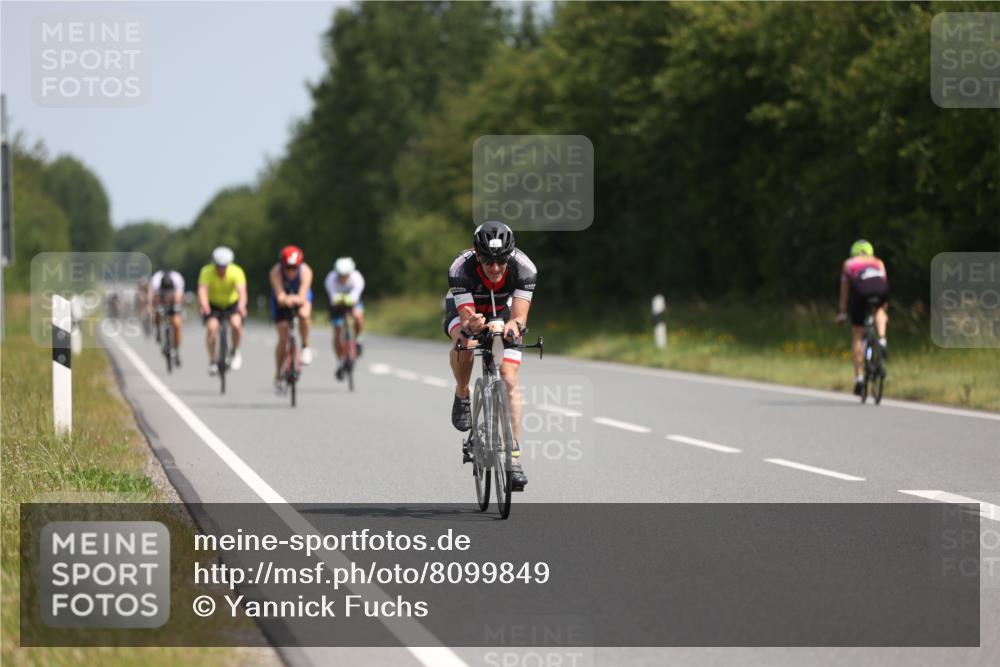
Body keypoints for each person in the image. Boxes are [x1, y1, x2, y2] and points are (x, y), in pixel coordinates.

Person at [444, 221, 536, 491]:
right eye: (487, 260)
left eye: (501, 260)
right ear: (476, 253)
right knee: (465, 340)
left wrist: (513, 327)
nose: (495, 268)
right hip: (469, 308)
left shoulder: (525, 268)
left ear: (510, 254)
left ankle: (514, 459)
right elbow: (466, 319)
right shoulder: (460, 268)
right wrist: (471, 324)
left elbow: (519, 317)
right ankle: (462, 393)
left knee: (509, 379)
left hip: (504, 311)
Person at [837, 239, 889, 395]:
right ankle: (882, 338)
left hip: (861, 290)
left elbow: (845, 292)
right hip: (880, 288)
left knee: (858, 334)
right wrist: (883, 314)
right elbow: (883, 286)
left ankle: (859, 378)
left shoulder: (849, 264)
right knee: (879, 311)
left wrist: (842, 312)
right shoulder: (878, 262)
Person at [269, 245, 314, 392]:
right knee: (283, 337)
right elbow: (280, 295)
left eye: (294, 267)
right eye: (287, 267)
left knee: (304, 314)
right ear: (282, 265)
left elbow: (303, 294)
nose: (291, 271)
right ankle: (278, 373)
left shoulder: (306, 271)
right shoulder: (275, 272)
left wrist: (298, 299)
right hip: (282, 298)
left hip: (299, 295)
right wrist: (284, 299)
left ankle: (305, 345)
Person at [197, 246, 248, 375]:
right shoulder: (206, 271)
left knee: (236, 325)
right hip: (213, 304)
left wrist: (241, 307)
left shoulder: (237, 272)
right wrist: (205, 307)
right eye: (219, 266)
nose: (221, 269)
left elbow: (242, 292)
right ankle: (213, 361)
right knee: (212, 328)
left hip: (232, 303)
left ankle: (235, 351)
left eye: (224, 266)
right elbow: (202, 291)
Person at [324, 257, 365, 380]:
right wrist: (340, 300)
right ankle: (340, 360)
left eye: (346, 275)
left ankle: (358, 339)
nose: (343, 277)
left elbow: (355, 297)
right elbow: (333, 298)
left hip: (353, 302)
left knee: (358, 317)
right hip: (336, 305)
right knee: (337, 329)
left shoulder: (357, 278)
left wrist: (346, 300)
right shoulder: (330, 279)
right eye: (340, 275)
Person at [150, 269, 185, 365]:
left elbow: (179, 296)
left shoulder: (178, 280)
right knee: (156, 313)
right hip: (160, 301)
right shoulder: (156, 282)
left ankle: (176, 350)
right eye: (165, 290)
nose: (167, 293)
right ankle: (158, 329)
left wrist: (176, 306)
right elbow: (155, 297)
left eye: (169, 291)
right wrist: (157, 308)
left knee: (177, 324)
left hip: (174, 303)